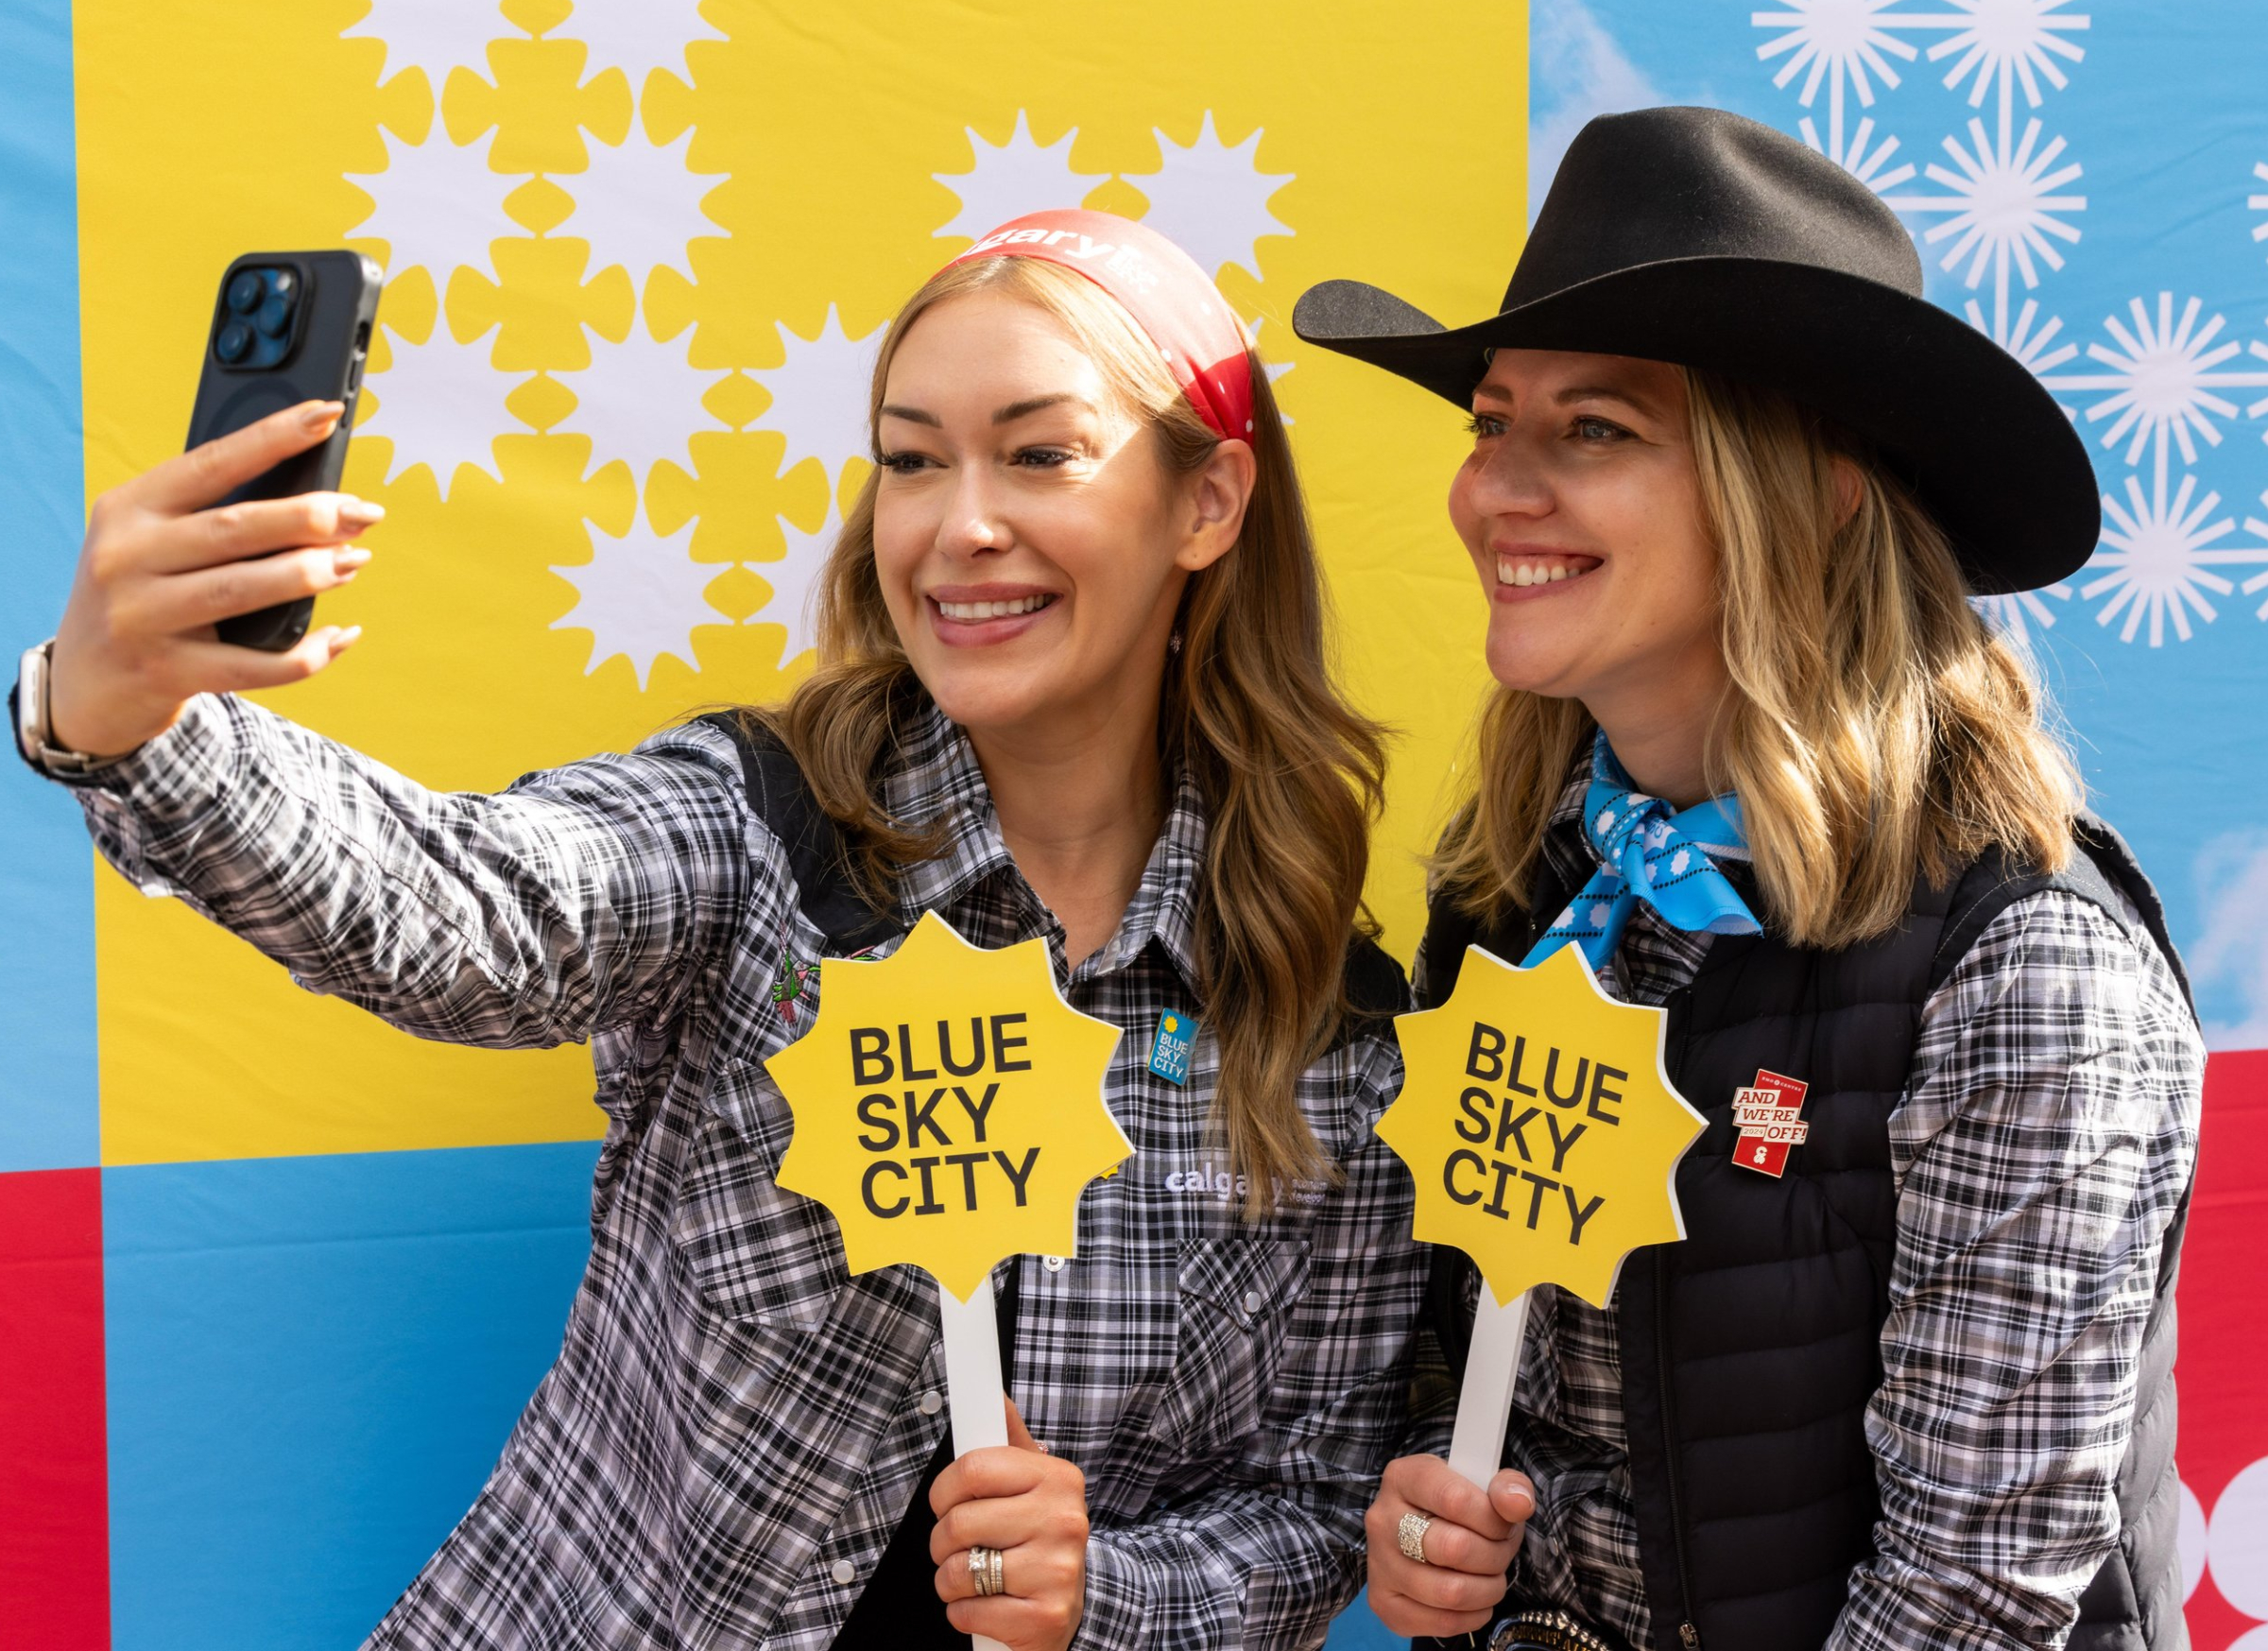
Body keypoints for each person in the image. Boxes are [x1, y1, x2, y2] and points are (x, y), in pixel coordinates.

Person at [13, 208, 1426, 1650]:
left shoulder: (1332, 1019)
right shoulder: (763, 834)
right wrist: (130, 719)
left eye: (1040, 452)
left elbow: (1310, 1505)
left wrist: (1106, 1594)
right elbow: (468, 903)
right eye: (913, 459)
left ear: (1208, 504)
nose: (959, 525)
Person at [1292, 108, 2204, 1651]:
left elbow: (1971, 1601)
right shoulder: (1524, 900)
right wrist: (1438, 1520)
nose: (1496, 489)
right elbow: (1499, 1404)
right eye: (1491, 423)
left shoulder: (2025, 968)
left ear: (1813, 493)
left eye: (1595, 430)